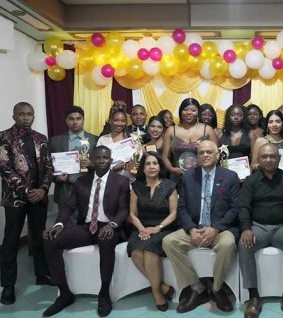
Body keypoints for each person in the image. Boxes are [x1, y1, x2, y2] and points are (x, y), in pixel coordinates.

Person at [42, 146, 130, 317]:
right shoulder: (82, 181)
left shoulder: (121, 181)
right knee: (50, 240)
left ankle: (104, 293)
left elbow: (124, 210)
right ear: (92, 159)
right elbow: (69, 206)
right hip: (88, 227)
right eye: (98, 157)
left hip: (110, 227)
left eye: (105, 157)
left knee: (106, 239)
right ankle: (64, 294)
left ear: (110, 160)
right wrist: (59, 224)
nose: (102, 160)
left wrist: (111, 225)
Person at [162, 140, 240, 313]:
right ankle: (198, 287)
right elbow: (181, 207)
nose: (205, 155)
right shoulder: (189, 176)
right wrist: (190, 229)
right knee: (168, 242)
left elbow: (235, 208)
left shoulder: (230, 176)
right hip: (195, 228)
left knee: (228, 244)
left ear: (217, 155)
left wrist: (216, 229)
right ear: (197, 157)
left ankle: (217, 288)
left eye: (209, 152)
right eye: (201, 152)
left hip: (220, 229)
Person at [239, 143, 283, 318]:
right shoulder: (251, 181)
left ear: (279, 159)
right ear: (258, 159)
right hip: (257, 227)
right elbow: (243, 207)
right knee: (244, 244)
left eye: (272, 156)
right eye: (264, 156)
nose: (268, 159)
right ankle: (253, 297)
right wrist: (245, 229)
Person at [0, 102, 54, 305]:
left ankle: (42, 275)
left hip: (39, 197)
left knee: (40, 236)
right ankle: (7, 285)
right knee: (11, 241)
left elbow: (49, 167)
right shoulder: (4, 137)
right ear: (14, 116)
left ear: (33, 116)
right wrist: (26, 191)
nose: (26, 117)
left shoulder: (41, 139)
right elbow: (4, 167)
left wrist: (43, 190)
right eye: (21, 114)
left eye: (29, 114)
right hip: (14, 198)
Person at [127, 152, 178, 311]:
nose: (152, 167)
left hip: (164, 227)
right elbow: (132, 214)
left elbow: (174, 213)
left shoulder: (169, 185)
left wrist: (158, 228)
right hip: (142, 227)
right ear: (143, 168)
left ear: (160, 167)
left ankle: (157, 294)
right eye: (148, 164)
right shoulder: (136, 186)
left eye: (155, 163)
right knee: (135, 251)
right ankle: (162, 287)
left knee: (148, 250)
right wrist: (142, 228)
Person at [50, 106, 98, 219]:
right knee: (65, 226)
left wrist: (91, 164)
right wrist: (56, 178)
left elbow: (102, 165)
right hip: (64, 190)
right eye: (71, 119)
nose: (75, 122)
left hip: (87, 189)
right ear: (66, 121)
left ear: (83, 120)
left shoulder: (95, 139)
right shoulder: (55, 141)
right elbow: (49, 167)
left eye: (78, 118)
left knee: (86, 225)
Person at [162, 98, 218, 180]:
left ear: (198, 112)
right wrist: (172, 169)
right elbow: (165, 156)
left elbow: (215, 155)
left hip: (202, 177)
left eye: (193, 110)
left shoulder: (208, 130)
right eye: (185, 110)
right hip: (176, 178)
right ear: (180, 111)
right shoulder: (171, 130)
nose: (189, 113)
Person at [97, 102, 133, 175]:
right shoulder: (102, 139)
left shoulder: (133, 138)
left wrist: (127, 166)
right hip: (109, 181)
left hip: (131, 180)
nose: (119, 124)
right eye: (116, 120)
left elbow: (139, 162)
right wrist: (112, 169)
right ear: (110, 121)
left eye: (123, 121)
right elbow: (98, 163)